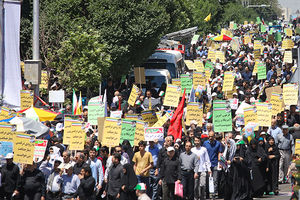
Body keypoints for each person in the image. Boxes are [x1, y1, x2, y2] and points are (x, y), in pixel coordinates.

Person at [202, 131, 222, 198]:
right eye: (209, 136)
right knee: (207, 180)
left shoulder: (218, 143)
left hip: (215, 163)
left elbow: (219, 152)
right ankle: (208, 194)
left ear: (214, 137)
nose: (210, 138)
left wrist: (220, 161)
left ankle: (214, 194)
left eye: (212, 136)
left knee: (215, 180)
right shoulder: (205, 143)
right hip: (207, 165)